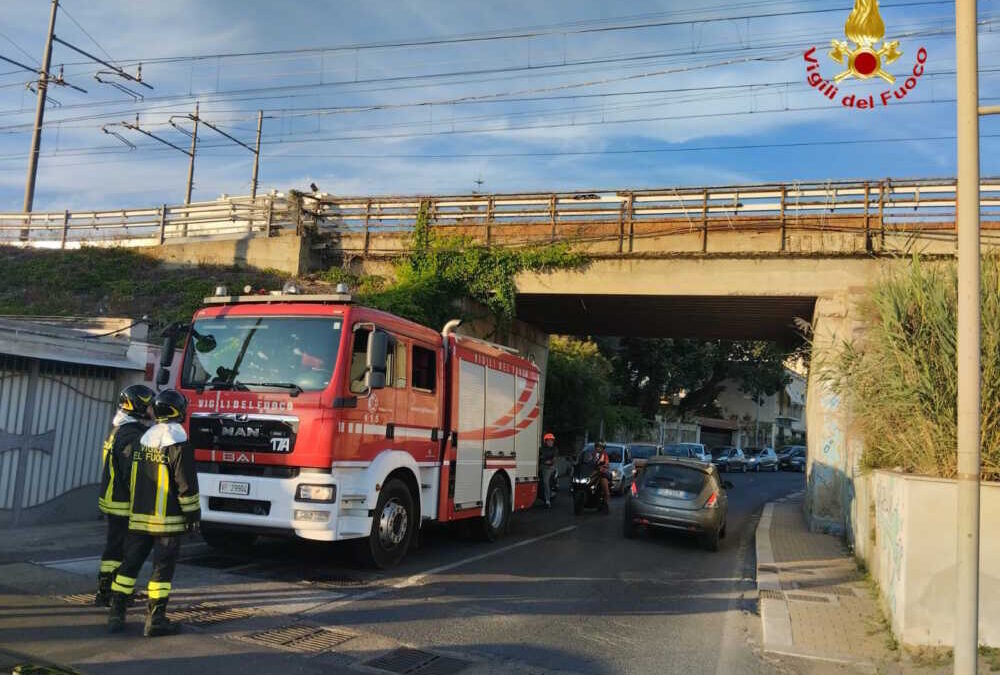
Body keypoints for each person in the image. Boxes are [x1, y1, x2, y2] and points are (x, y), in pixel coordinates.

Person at [108, 389, 200, 637]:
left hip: (139, 518)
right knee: (161, 570)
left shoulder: (143, 438)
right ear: (178, 411)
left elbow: (130, 477)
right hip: (167, 522)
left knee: (130, 564)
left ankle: (116, 614)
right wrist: (193, 516)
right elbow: (186, 483)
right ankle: (155, 620)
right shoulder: (177, 440)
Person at [94, 384, 155, 607]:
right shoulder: (132, 436)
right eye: (149, 405)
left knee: (113, 547)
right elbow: (133, 473)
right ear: (138, 407)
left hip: (112, 498)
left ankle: (104, 590)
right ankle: (117, 593)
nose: (152, 410)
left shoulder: (119, 430)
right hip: (124, 502)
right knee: (126, 550)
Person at [539, 433, 557, 508]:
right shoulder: (541, 449)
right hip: (542, 466)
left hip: (549, 467)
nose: (551, 442)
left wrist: (550, 461)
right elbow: (539, 457)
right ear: (545, 441)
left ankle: (547, 500)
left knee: (546, 482)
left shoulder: (555, 449)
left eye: (552, 440)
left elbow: (554, 459)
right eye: (549, 440)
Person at [593, 440, 611, 514]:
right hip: (592, 473)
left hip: (601, 474)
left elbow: (607, 464)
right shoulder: (592, 454)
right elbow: (587, 461)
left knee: (605, 488)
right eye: (597, 447)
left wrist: (603, 466)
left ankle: (606, 504)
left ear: (603, 448)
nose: (598, 448)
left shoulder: (605, 455)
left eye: (600, 447)